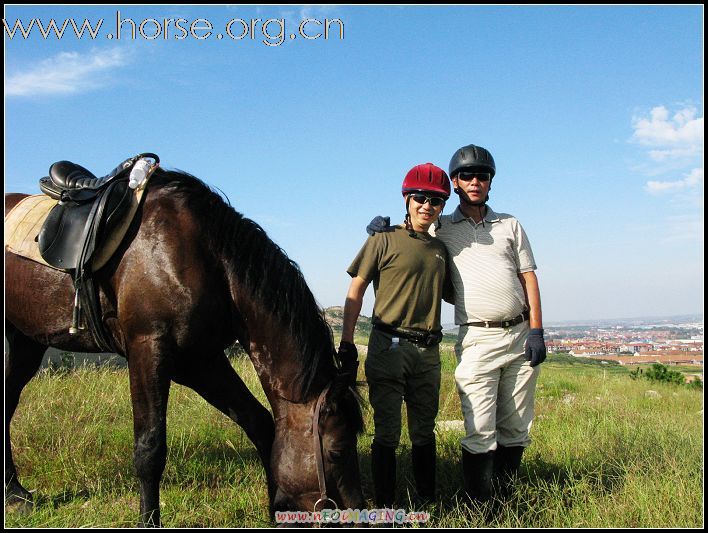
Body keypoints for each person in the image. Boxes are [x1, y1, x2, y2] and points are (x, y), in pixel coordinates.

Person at [366, 143, 547, 505]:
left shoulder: (510, 225)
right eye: (467, 175)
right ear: (455, 182)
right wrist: (381, 230)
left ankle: (504, 500)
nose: (475, 180)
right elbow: (413, 232)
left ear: (491, 182)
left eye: (483, 175)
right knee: (480, 427)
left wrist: (538, 330)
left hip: (518, 333)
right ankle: (478, 504)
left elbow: (528, 277)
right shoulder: (442, 227)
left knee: (515, 427)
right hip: (477, 337)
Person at [337, 163, 452, 508]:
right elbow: (355, 290)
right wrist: (345, 342)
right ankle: (386, 506)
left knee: (423, 431)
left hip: (429, 350)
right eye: (420, 197)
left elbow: (453, 291)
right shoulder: (381, 240)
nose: (426, 206)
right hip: (389, 345)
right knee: (387, 432)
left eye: (435, 200)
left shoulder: (440, 249)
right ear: (406, 199)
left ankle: (427, 501)